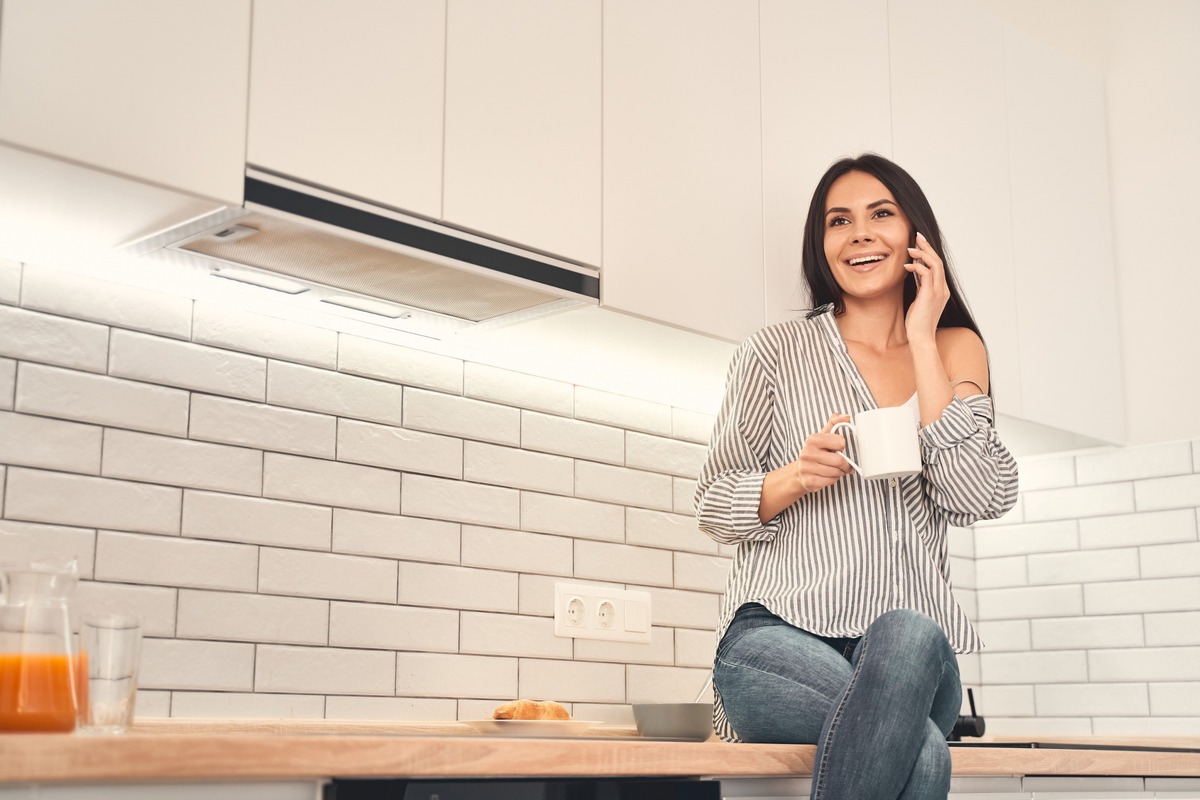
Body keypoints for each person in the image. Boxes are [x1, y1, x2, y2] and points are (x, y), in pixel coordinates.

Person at [694, 153, 1019, 800]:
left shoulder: (956, 349)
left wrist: (924, 338)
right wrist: (793, 477)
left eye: (881, 215)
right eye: (838, 221)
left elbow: (977, 493)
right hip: (776, 642)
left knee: (910, 630)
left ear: (916, 237)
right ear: (823, 247)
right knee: (921, 754)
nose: (860, 234)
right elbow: (712, 502)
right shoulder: (775, 352)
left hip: (914, 662)